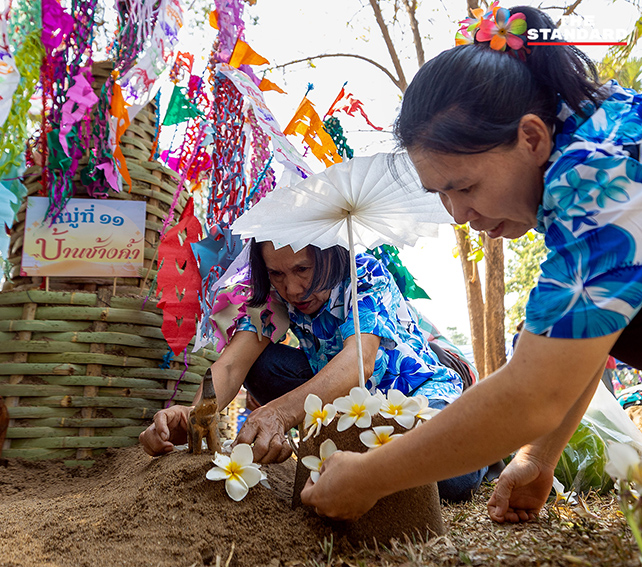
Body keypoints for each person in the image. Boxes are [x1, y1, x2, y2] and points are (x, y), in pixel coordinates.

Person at [301, 5, 642, 523]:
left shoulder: (597, 174)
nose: (460, 215)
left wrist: (368, 476)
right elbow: (590, 322)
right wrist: (537, 457)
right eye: (440, 193)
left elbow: (533, 392)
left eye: (464, 187)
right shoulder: (582, 133)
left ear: (530, 138)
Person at [140, 239, 488, 502]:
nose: (291, 289)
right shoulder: (272, 295)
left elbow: (359, 362)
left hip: (414, 392)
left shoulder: (363, 273)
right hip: (344, 401)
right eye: (276, 273)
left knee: (449, 479)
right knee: (263, 365)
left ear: (329, 256)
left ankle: (484, 443)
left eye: (302, 270)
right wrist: (193, 414)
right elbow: (232, 366)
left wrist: (278, 413)